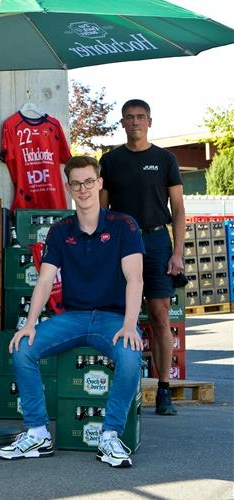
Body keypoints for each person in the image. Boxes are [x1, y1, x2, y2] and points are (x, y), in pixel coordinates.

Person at [0, 155, 144, 468]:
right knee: (23, 349)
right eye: (76, 183)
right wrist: (29, 323)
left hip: (113, 319)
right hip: (74, 318)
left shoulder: (123, 225)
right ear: (69, 187)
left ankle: (110, 436)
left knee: (130, 356)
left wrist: (130, 325)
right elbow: (46, 279)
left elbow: (135, 278)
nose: (83, 188)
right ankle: (37, 433)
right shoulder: (60, 230)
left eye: (89, 181)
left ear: (99, 183)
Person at [100, 99, 185, 416]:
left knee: (160, 317)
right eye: (129, 118)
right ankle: (126, 390)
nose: (135, 122)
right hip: (121, 244)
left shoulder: (165, 159)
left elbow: (178, 209)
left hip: (157, 241)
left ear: (150, 121)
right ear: (122, 123)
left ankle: (164, 391)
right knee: (123, 317)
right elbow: (101, 211)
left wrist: (177, 253)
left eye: (140, 117)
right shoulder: (110, 161)